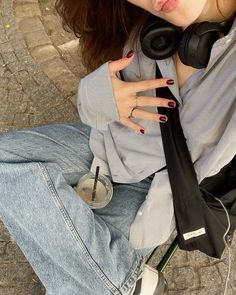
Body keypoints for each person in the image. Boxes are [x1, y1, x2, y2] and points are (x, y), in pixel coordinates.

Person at [0, 0, 235, 294]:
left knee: (76, 282)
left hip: (156, 191)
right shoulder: (145, 25)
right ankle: (124, 281)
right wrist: (97, 91)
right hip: (101, 147)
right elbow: (93, 113)